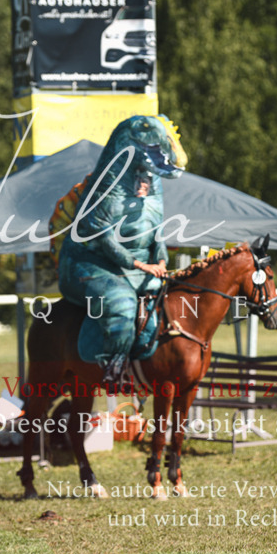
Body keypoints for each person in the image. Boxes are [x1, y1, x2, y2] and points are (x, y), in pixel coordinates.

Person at [56, 115, 187, 390]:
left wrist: (160, 258)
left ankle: (152, 363)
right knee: (121, 302)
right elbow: (104, 241)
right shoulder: (106, 188)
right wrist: (141, 265)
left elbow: (156, 231)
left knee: (172, 298)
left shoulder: (152, 181)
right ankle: (114, 366)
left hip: (135, 265)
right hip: (88, 260)